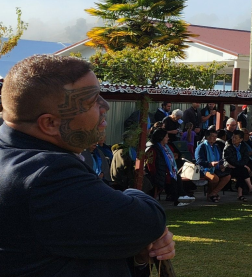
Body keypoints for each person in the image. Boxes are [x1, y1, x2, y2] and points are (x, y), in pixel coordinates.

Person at [0, 55, 175, 275]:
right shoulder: (46, 174)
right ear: (50, 123)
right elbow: (149, 221)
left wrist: (138, 251)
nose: (105, 106)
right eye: (91, 101)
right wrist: (131, 194)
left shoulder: (16, 156)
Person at [195, 128, 232, 202]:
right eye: (213, 136)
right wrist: (210, 164)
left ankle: (213, 194)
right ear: (207, 137)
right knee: (215, 178)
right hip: (204, 169)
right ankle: (211, 195)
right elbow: (199, 161)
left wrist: (221, 165)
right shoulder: (201, 147)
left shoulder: (216, 146)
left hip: (216, 168)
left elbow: (221, 158)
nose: (215, 138)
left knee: (227, 176)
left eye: (216, 136)